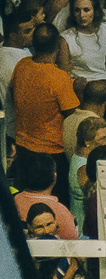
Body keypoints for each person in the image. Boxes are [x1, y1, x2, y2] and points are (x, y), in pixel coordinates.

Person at [9, 26, 73, 195]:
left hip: (23, 145)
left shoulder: (22, 65)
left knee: (24, 195)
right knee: (50, 198)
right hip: (51, 151)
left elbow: (12, 91)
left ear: (34, 43)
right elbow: (71, 113)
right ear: (57, 46)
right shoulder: (59, 77)